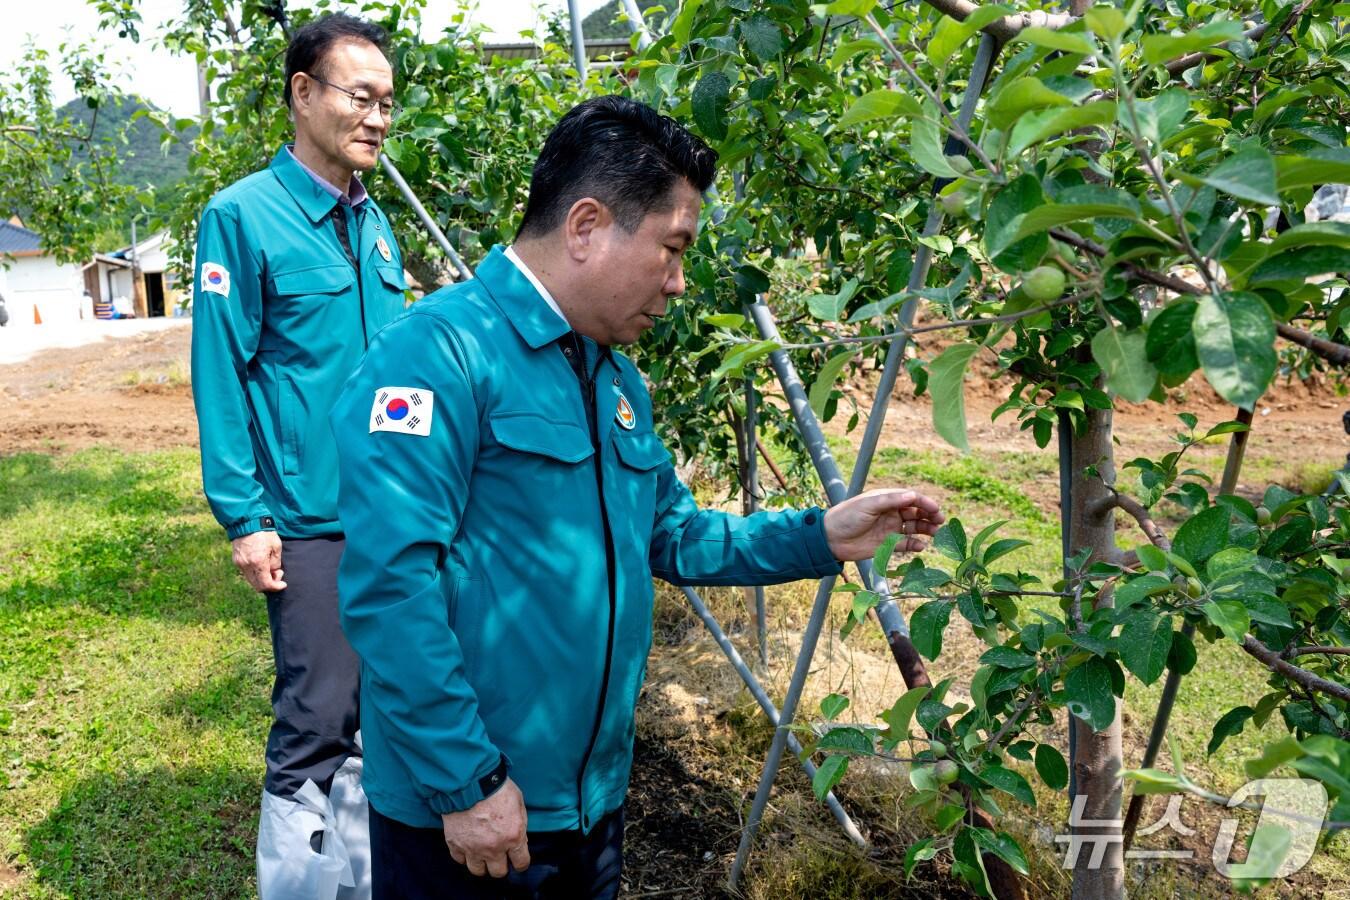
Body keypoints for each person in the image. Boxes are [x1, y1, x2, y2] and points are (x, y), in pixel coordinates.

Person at [330, 95, 945, 900]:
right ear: (586, 226)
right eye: (673, 249)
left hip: (589, 802)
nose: (680, 282)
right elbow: (389, 591)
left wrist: (823, 535)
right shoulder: (437, 356)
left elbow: (673, 534)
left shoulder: (612, 376)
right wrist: (467, 783)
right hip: (473, 816)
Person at [189, 12, 408, 899]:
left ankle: (359, 876)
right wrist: (246, 517)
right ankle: (302, 884)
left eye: (389, 102)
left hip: (396, 514)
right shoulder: (243, 217)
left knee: (382, 713)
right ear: (303, 94)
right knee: (317, 717)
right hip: (311, 519)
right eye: (362, 96)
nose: (378, 117)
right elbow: (221, 372)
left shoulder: (378, 225)